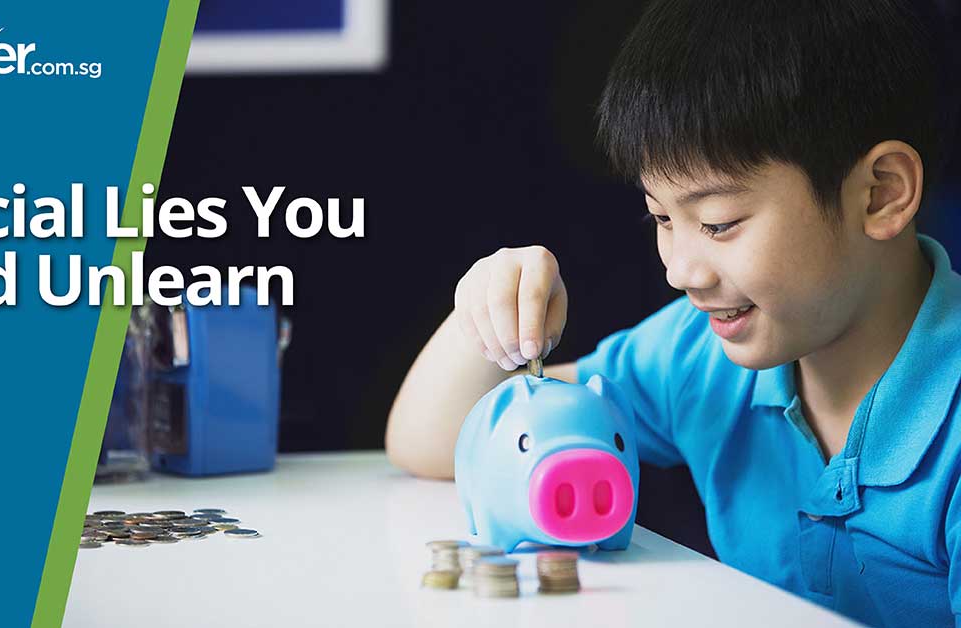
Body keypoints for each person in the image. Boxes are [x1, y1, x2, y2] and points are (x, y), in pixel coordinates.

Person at [384, 0, 960, 624]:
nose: (680, 271)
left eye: (718, 223)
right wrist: (490, 309)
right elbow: (432, 440)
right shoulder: (699, 353)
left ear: (881, 193)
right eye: (661, 217)